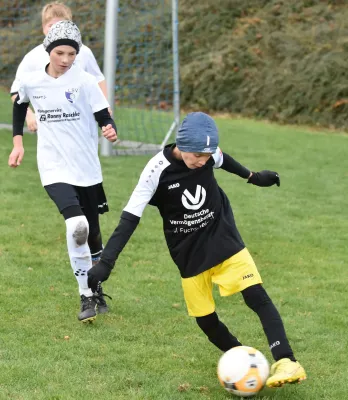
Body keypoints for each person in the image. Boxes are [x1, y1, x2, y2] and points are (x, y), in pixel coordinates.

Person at [87, 112, 307, 387]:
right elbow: (130, 217)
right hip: (188, 253)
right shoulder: (155, 170)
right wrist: (107, 262)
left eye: (207, 156)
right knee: (205, 319)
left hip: (223, 237)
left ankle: (287, 361)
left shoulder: (209, 153)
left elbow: (224, 160)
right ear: (182, 145)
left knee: (257, 297)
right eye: (198, 156)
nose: (204, 161)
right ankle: (242, 361)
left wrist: (253, 177)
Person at [8, 20, 117, 323]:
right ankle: (85, 295)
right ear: (49, 51)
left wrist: (110, 129)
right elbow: (19, 105)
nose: (66, 60)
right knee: (77, 226)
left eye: (71, 53)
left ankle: (96, 287)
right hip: (53, 166)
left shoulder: (83, 80)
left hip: (86, 168)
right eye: (60, 53)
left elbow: (103, 114)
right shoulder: (32, 80)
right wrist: (18, 144)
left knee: (93, 234)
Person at [10, 1, 109, 133]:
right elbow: (16, 91)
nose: (56, 30)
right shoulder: (33, 57)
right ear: (43, 27)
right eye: (51, 26)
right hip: (51, 126)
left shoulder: (84, 52)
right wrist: (29, 115)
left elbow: (98, 79)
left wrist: (105, 106)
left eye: (61, 25)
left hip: (82, 123)